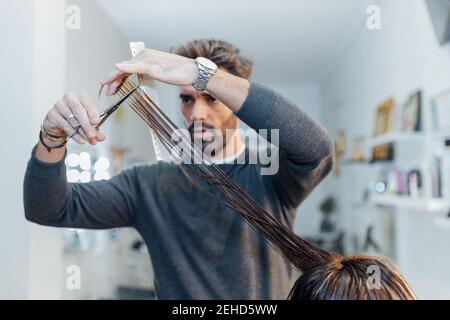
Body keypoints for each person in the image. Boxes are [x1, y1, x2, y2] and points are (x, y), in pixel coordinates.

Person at [23, 39, 334, 299]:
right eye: (186, 99)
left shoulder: (271, 173)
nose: (196, 113)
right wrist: (51, 137)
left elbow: (316, 148)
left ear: (236, 102)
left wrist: (200, 73)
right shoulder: (146, 185)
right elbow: (48, 208)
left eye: (211, 98)